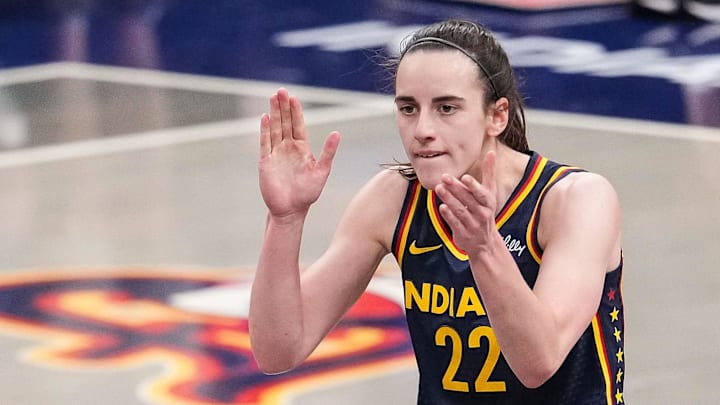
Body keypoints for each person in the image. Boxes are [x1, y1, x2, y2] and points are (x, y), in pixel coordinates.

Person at [249, 18, 625, 404]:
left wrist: (484, 249)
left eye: (447, 108)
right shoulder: (394, 199)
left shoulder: (575, 200)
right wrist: (285, 220)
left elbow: (539, 362)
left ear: (497, 116)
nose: (422, 129)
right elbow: (278, 350)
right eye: (408, 108)